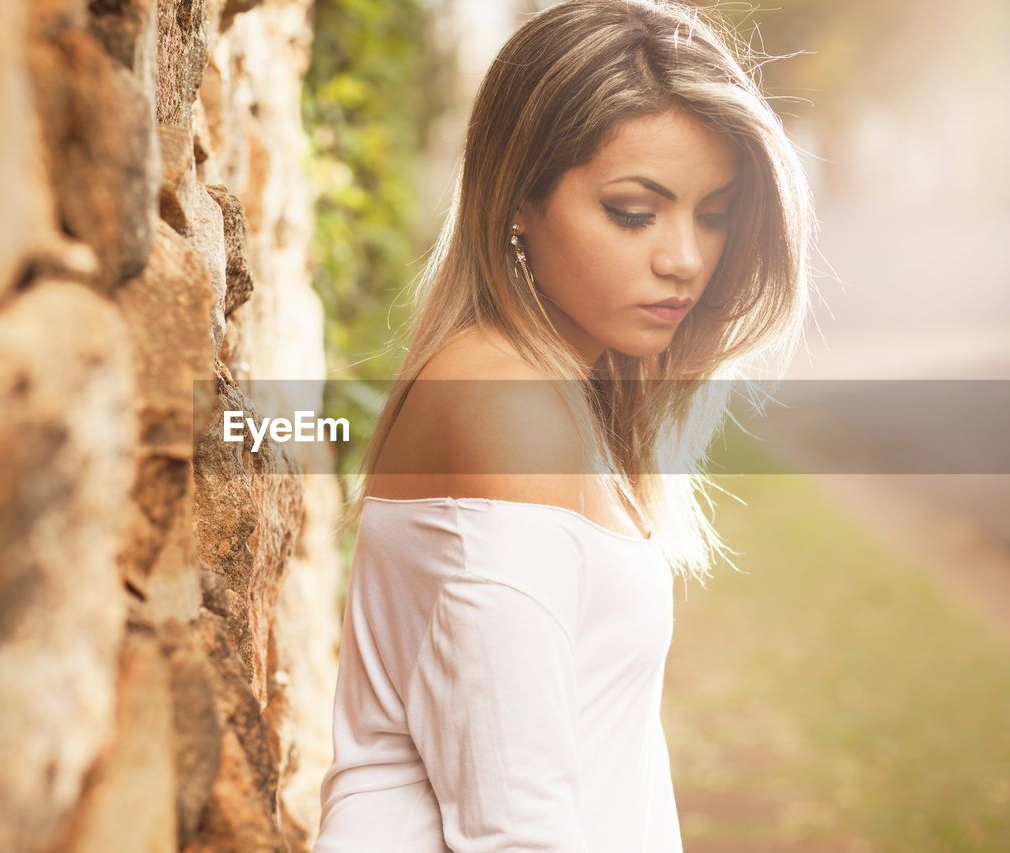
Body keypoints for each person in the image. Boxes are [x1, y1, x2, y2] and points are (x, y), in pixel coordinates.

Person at [314, 0, 815, 849]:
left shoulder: (544, 389)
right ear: (517, 202)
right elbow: (515, 825)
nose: (684, 257)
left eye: (714, 211)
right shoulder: (506, 407)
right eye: (633, 211)